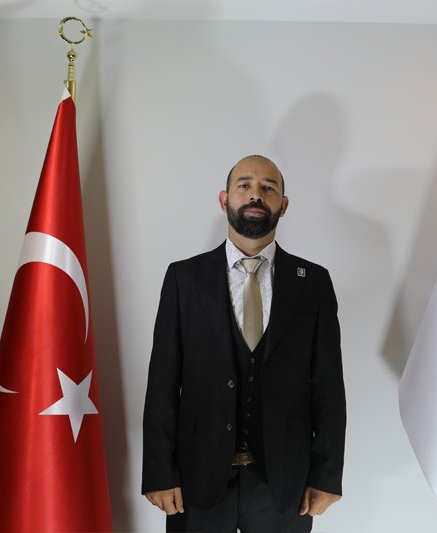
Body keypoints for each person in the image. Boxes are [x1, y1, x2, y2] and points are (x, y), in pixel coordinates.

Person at [142, 155, 346, 533]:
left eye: (268, 187)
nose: (256, 194)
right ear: (224, 200)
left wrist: (327, 476)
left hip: (284, 484)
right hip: (196, 478)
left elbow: (328, 387)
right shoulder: (184, 279)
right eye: (244, 185)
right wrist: (158, 471)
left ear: (283, 205)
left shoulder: (314, 283)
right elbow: (163, 383)